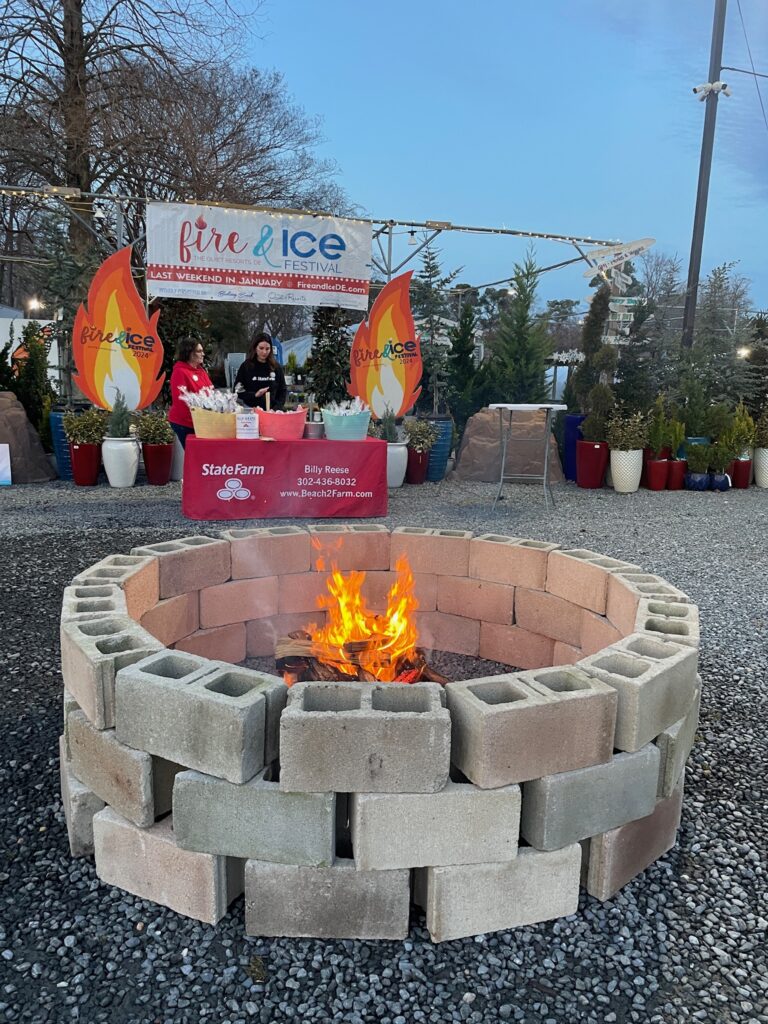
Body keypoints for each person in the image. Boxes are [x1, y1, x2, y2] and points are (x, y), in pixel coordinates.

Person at [167, 337, 212, 448]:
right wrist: (198, 420)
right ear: (189, 353)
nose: (203, 354)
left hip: (202, 422)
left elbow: (211, 392)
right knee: (195, 456)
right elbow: (181, 401)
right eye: (199, 351)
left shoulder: (201, 371)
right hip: (185, 423)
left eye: (202, 351)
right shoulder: (180, 372)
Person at [235, 331, 287, 411]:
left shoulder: (276, 367)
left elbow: (282, 391)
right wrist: (254, 395)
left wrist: (276, 408)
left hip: (272, 411)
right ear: (255, 348)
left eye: (267, 349)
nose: (264, 352)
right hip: (251, 410)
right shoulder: (246, 366)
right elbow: (237, 390)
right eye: (261, 348)